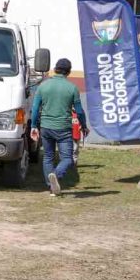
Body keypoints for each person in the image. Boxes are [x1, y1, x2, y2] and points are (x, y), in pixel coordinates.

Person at [30, 58, 89, 196]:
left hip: (45, 127)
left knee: (48, 157)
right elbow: (79, 111)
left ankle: (51, 187)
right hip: (63, 129)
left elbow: (35, 107)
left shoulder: (43, 86)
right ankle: (55, 176)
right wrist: (84, 126)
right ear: (68, 72)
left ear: (55, 69)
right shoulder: (72, 88)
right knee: (67, 158)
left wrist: (33, 126)